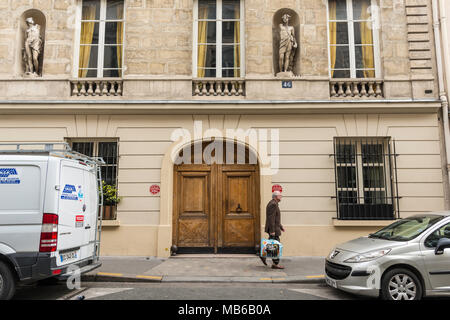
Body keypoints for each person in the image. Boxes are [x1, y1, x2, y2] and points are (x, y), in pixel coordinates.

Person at [260, 190, 285, 269]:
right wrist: (272, 231)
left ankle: (264, 256)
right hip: (273, 229)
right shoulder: (273, 204)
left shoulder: (274, 203)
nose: (281, 197)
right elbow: (271, 219)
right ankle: (275, 264)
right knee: (275, 245)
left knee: (272, 245)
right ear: (275, 197)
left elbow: (275, 218)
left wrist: (280, 226)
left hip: (275, 228)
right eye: (280, 195)